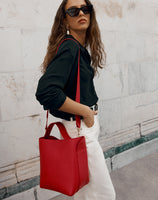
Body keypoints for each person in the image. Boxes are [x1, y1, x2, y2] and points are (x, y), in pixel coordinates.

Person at [35, 0, 116, 199]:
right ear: (65, 19)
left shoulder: (78, 48)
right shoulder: (70, 48)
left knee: (84, 193)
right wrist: (85, 111)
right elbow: (46, 91)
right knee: (104, 195)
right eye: (73, 10)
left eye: (85, 8)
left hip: (80, 129)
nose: (81, 12)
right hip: (80, 130)